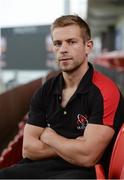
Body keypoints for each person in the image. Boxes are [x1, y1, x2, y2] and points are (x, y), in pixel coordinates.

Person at [0, 14, 124, 179]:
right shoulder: (45, 90)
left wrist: (50, 137)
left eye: (71, 42)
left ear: (88, 46)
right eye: (57, 43)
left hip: (81, 173)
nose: (63, 49)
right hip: (36, 168)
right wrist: (75, 145)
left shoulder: (105, 91)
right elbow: (28, 149)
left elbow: (88, 157)